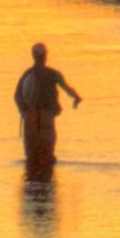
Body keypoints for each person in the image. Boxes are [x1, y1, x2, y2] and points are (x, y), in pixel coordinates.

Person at [13, 42, 81, 178]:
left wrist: (24, 112)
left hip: (30, 118)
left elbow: (17, 95)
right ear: (45, 56)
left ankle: (33, 185)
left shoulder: (27, 74)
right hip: (47, 117)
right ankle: (46, 184)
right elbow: (66, 88)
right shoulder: (53, 74)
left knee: (31, 157)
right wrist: (76, 97)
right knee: (48, 156)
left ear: (33, 56)